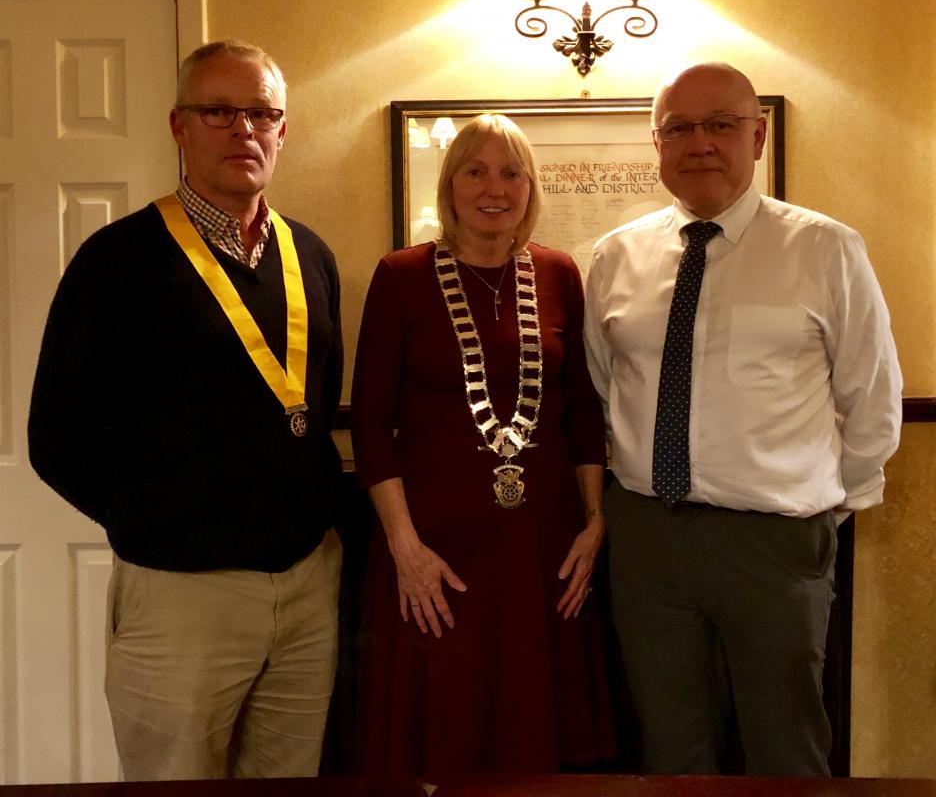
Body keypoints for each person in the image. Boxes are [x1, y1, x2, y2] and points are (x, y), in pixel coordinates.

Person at [28, 40, 343, 780]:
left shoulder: (312, 254)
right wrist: (157, 520)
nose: (244, 130)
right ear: (180, 126)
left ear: (283, 130)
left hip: (307, 587)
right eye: (219, 111)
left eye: (262, 113)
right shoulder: (117, 260)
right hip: (181, 595)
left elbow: (312, 404)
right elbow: (55, 437)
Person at [584, 62, 902, 776]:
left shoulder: (825, 249)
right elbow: (606, 389)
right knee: (668, 747)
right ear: (656, 145)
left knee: (785, 747)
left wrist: (810, 513)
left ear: (757, 138)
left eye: (721, 125)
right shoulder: (615, 257)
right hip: (647, 536)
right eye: (680, 129)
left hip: (775, 542)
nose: (701, 143)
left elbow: (873, 400)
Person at [351, 114, 615, 779]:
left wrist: (595, 520)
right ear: (451, 183)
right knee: (443, 739)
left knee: (538, 741)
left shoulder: (559, 273)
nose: (495, 187)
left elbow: (581, 407)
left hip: (543, 552)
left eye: (512, 172)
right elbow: (372, 424)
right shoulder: (401, 274)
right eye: (476, 170)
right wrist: (403, 549)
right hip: (434, 554)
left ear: (530, 187)